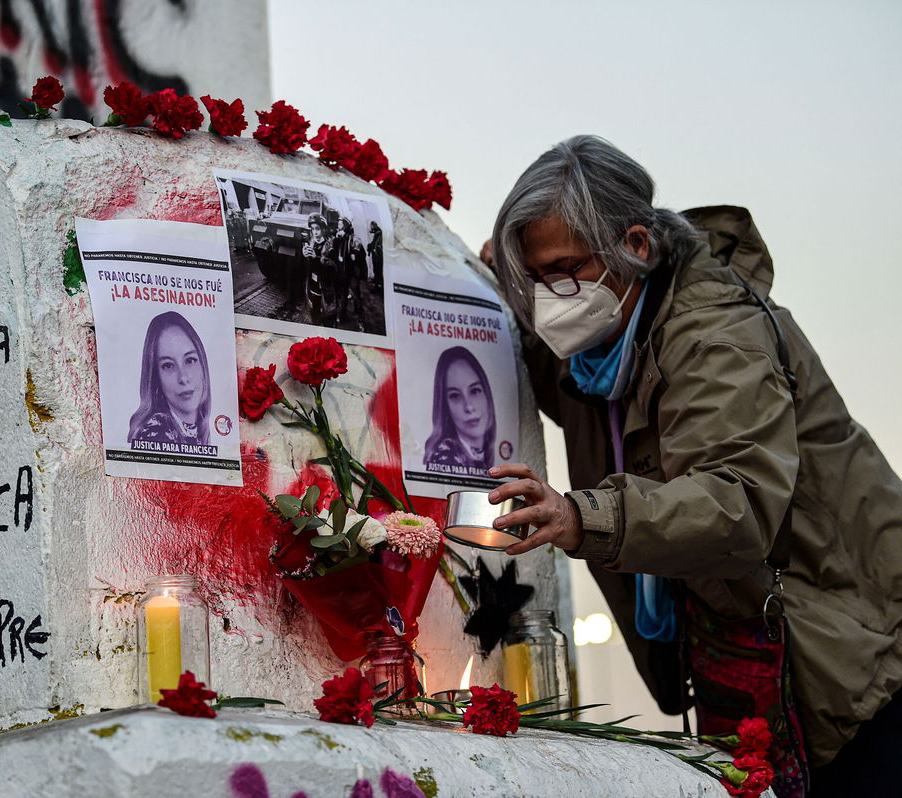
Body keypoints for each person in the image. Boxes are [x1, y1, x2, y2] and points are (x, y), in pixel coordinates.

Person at [481, 135, 902, 796]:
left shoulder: (714, 334)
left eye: (563, 271)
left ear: (637, 246)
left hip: (855, 662)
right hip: (754, 646)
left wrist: (579, 516)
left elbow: (738, 503)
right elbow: (547, 371)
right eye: (533, 279)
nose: (548, 299)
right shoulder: (602, 347)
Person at [128, 310, 212, 446]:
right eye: (168, 365)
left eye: (190, 360)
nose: (183, 377)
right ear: (155, 378)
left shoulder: (197, 427)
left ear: (203, 364)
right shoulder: (155, 432)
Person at [423, 346, 496, 475]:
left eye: (475, 391)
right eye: (455, 396)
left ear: (487, 393)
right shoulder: (445, 457)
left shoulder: (482, 454)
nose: (469, 407)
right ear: (445, 407)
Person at [302, 213, 338, 326]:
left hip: (325, 292)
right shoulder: (311, 245)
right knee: (314, 318)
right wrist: (303, 257)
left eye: (318, 229)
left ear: (323, 229)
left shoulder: (330, 248)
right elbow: (305, 270)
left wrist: (315, 259)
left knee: (328, 320)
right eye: (313, 229)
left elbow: (333, 273)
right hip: (313, 290)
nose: (315, 232)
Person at [333, 216, 367, 328]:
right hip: (342, 273)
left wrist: (354, 254)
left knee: (356, 295)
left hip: (352, 273)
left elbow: (360, 254)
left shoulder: (354, 239)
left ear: (345, 226)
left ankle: (360, 319)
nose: (338, 226)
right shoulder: (338, 238)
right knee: (343, 295)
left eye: (340, 224)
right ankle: (342, 316)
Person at [368, 220, 384, 288]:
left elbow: (376, 244)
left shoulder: (378, 233)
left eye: (371, 226)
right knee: (377, 269)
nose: (371, 228)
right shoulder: (377, 233)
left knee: (378, 270)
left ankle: (378, 284)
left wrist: (372, 248)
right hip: (377, 256)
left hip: (377, 256)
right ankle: (377, 282)